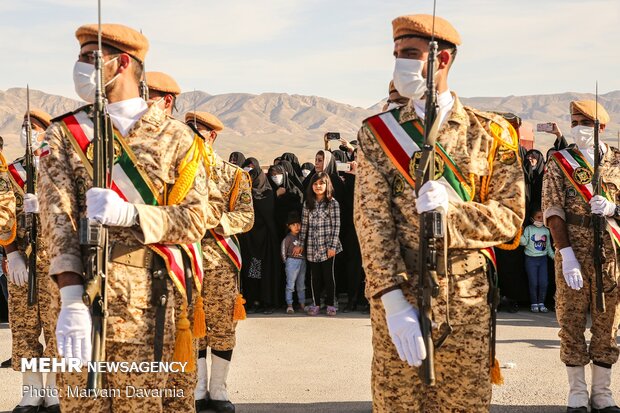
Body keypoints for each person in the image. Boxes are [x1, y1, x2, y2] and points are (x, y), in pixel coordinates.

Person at [354, 14, 525, 412]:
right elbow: (371, 223)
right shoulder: (377, 133)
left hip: (467, 307)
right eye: (397, 54)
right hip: (400, 301)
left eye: (411, 54)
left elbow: (510, 218)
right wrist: (393, 302)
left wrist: (454, 211)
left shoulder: (490, 134)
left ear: (442, 59)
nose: (401, 64)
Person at [38, 23, 210, 412]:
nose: (80, 67)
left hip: (147, 307)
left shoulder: (177, 138)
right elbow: (57, 219)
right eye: (79, 57)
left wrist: (134, 213)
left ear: (123, 63)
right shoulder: (65, 134)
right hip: (80, 301)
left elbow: (196, 218)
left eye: (89, 58)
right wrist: (70, 297)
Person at [542, 100, 620, 413]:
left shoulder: (618, 161)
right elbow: (552, 209)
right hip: (573, 252)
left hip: (611, 256)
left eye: (584, 123)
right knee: (571, 321)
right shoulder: (560, 161)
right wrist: (567, 253)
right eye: (574, 122)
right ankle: (576, 392)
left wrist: (615, 209)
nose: (578, 128)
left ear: (601, 128)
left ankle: (602, 393)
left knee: (609, 323)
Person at [186, 111, 254, 413]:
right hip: (186, 260)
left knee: (222, 327)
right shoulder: (178, 172)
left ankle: (219, 389)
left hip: (220, 263)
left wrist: (215, 219)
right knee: (192, 326)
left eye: (197, 133)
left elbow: (246, 217)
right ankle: (199, 388)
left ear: (211, 136)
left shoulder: (233, 175)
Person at [5, 109, 62, 413]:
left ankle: (53, 391)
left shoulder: (60, 172)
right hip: (22, 266)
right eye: (25, 127)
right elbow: (2, 218)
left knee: (55, 330)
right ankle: (31, 391)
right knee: (25, 330)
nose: (29, 132)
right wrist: (12, 253)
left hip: (55, 264)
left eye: (36, 127)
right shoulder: (10, 174)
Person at [295, 172, 342, 316]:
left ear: (327, 185)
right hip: (312, 247)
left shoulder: (332, 203)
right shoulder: (308, 203)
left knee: (329, 276)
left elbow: (336, 226)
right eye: (315, 184)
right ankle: (316, 304)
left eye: (321, 183)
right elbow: (304, 226)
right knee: (314, 277)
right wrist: (301, 244)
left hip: (327, 247)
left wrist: (332, 246)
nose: (318, 186)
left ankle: (330, 304)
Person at [239, 157, 282, 314]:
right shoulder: (243, 193)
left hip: (266, 241)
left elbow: (268, 215)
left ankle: (267, 302)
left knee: (265, 272)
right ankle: (252, 301)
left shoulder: (267, 192)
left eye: (253, 170)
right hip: (249, 239)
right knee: (251, 272)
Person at [519, 209, 555, 313]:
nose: (540, 220)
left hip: (543, 260)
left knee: (544, 283)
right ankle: (534, 303)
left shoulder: (546, 231)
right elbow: (524, 242)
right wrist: (520, 234)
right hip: (531, 260)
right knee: (533, 283)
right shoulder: (529, 229)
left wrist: (555, 257)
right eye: (538, 217)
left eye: (542, 218)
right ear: (532, 218)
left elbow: (548, 248)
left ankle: (541, 303)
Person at [268, 164, 302, 239]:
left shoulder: (294, 190)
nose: (276, 176)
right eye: (273, 175)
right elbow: (266, 207)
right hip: (274, 228)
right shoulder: (268, 191)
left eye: (279, 174)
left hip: (292, 229)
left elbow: (299, 206)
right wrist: (275, 195)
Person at [281, 211, 306, 314]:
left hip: (302, 261)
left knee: (301, 285)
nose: (297, 227)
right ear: (288, 226)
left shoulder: (302, 237)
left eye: (298, 224)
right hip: (291, 261)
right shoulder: (288, 238)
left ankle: (302, 304)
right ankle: (289, 305)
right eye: (293, 225)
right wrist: (286, 261)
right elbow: (283, 250)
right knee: (290, 285)